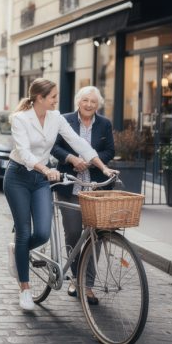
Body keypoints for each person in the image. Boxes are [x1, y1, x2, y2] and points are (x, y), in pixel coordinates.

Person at [5, 78, 116, 311]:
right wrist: (46, 169)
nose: (57, 100)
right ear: (40, 98)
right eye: (53, 97)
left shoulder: (55, 118)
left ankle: (18, 251)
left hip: (41, 180)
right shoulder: (20, 119)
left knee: (43, 233)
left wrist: (103, 167)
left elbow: (77, 142)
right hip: (18, 178)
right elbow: (24, 153)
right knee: (24, 232)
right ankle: (24, 289)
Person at [50, 86, 114, 305]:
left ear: (98, 105)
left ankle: (87, 285)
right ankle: (74, 278)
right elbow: (54, 147)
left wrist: (92, 161)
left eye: (93, 102)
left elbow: (110, 151)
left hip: (95, 189)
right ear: (78, 101)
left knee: (95, 237)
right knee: (74, 234)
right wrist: (72, 159)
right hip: (70, 187)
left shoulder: (105, 124)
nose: (89, 105)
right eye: (85, 100)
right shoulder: (65, 120)